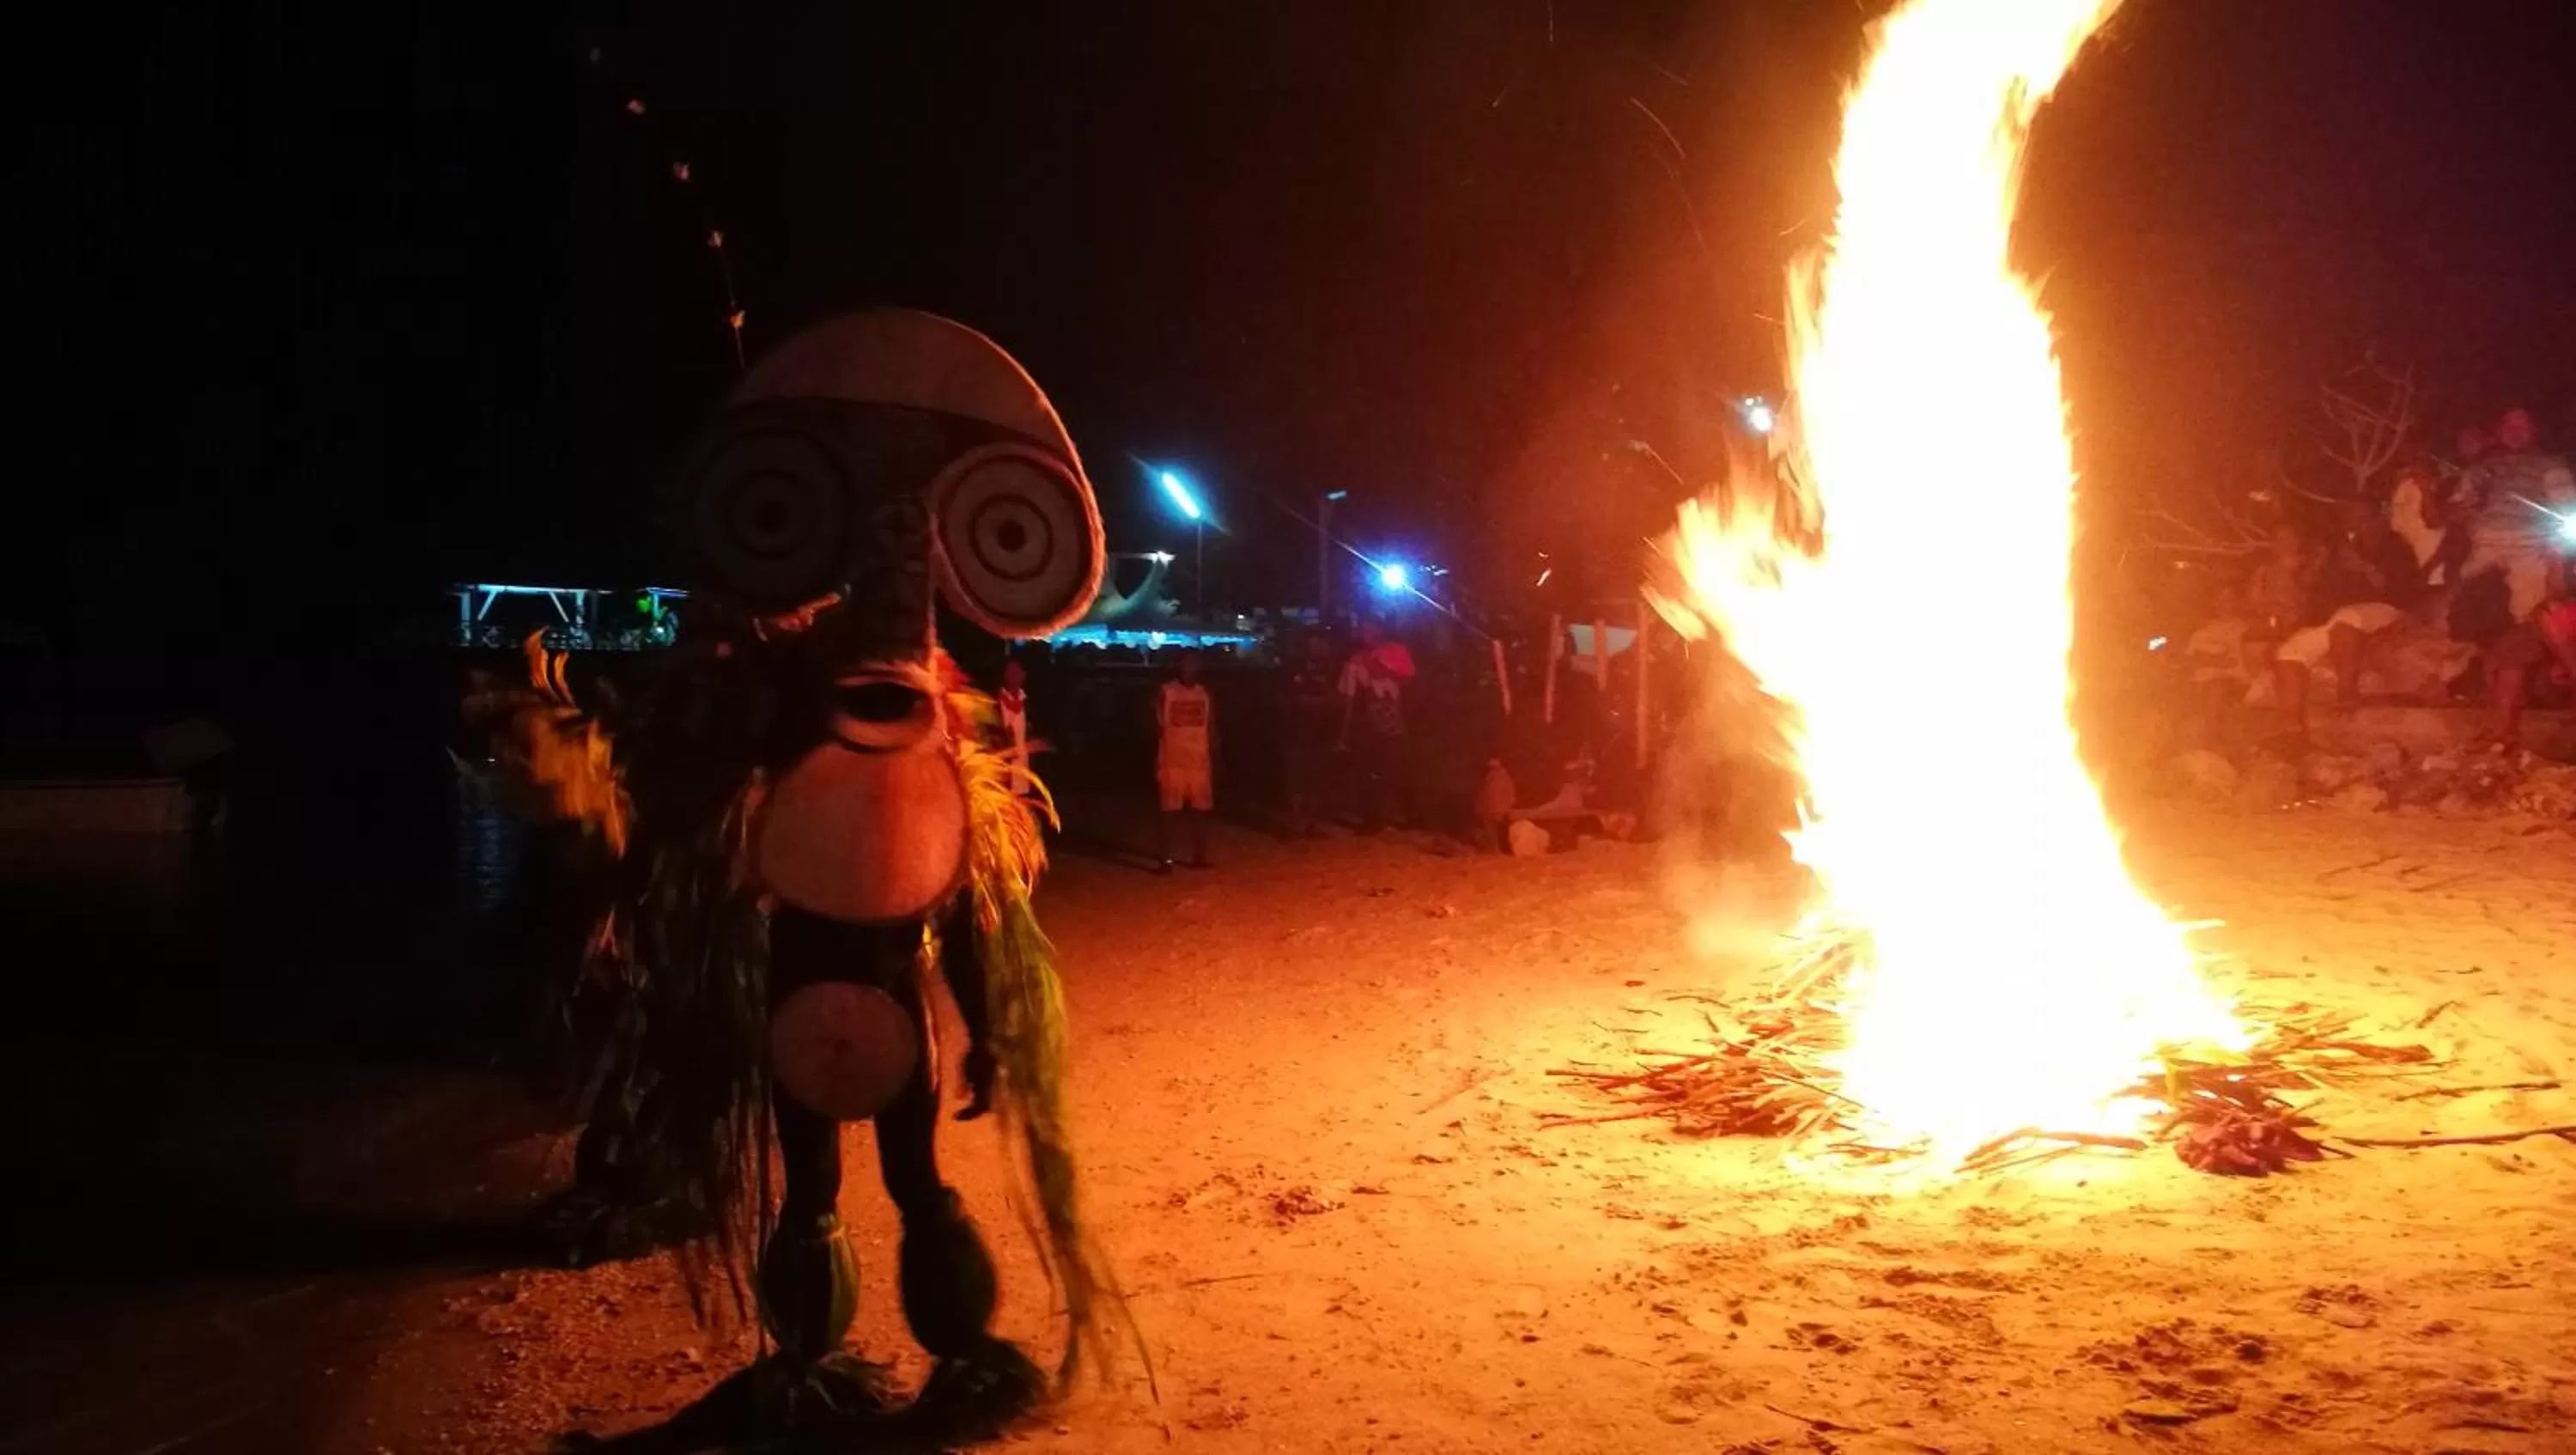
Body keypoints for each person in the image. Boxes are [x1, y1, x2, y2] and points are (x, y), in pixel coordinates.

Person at [1337, 620, 1415, 831]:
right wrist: (1345, 729)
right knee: (1369, 769)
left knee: (1394, 767)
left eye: (1371, 629)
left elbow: (1409, 680)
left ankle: (1400, 814)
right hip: (1367, 720)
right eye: (1364, 630)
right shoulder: (1355, 660)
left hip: (1393, 718)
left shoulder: (1396, 651)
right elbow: (1348, 696)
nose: (1367, 634)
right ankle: (1373, 818)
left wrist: (1383, 671)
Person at [1154, 648, 1216, 871]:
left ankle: (1199, 856)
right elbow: (1154, 724)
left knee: (1200, 811)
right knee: (1169, 812)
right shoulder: (1166, 691)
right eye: (1185, 663)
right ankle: (1166, 859)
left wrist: (1215, 757)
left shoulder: (1203, 694)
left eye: (1193, 663)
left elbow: (1211, 726)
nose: (1189, 668)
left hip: (1199, 761)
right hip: (1172, 760)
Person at [1281, 631, 1340, 837]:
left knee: (1316, 780)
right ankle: (1296, 822)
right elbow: (1291, 698)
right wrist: (1318, 702)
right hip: (1297, 733)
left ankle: (1312, 823)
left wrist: (1316, 702)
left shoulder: (1331, 669)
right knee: (1298, 780)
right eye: (1313, 643)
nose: (1317, 647)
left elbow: (1335, 700)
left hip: (1320, 734)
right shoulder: (1295, 667)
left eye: (1320, 643)